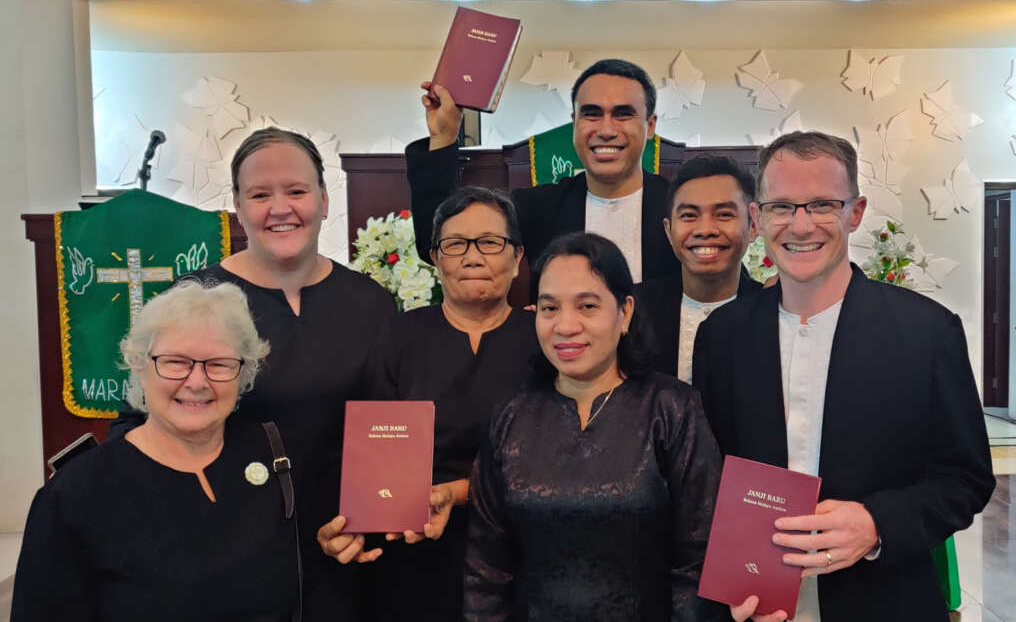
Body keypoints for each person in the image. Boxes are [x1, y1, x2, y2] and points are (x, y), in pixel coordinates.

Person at [691, 131, 995, 622]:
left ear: (855, 211)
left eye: (822, 205)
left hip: (885, 601)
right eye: (782, 206)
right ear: (757, 219)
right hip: (752, 606)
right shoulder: (721, 338)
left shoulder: (928, 332)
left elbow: (966, 478)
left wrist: (877, 525)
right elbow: (706, 480)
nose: (801, 224)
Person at [109, 127, 398, 621]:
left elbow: (388, 428)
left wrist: (375, 519)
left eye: (297, 191)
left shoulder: (370, 302)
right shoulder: (193, 300)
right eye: (260, 195)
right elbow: (135, 430)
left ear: (325, 200)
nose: (279, 208)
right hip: (222, 550)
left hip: (343, 548)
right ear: (238, 207)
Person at [464, 232, 723, 621]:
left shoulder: (672, 409)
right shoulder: (511, 414)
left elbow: (699, 560)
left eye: (587, 306)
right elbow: (485, 567)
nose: (566, 326)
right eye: (549, 309)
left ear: (625, 312)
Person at [12, 281, 302, 621]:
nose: (197, 382)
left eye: (219, 364)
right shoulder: (75, 493)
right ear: (139, 366)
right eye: (176, 362)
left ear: (244, 373)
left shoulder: (269, 453)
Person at [319, 187, 540, 621]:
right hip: (417, 549)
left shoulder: (544, 339)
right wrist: (355, 526)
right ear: (436, 260)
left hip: (524, 549)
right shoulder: (398, 337)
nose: (472, 257)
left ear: (517, 259)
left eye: (490, 243)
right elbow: (373, 457)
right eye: (455, 244)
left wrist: (456, 495)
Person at [408, 58, 679, 283]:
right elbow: (441, 238)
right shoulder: (539, 206)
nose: (606, 130)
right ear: (574, 123)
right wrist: (443, 137)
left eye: (622, 114)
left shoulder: (680, 209)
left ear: (650, 125)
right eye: (591, 114)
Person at [635, 155, 762, 382]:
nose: (705, 230)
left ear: (753, 225)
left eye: (724, 214)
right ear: (668, 230)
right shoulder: (634, 310)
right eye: (689, 215)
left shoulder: (772, 312)